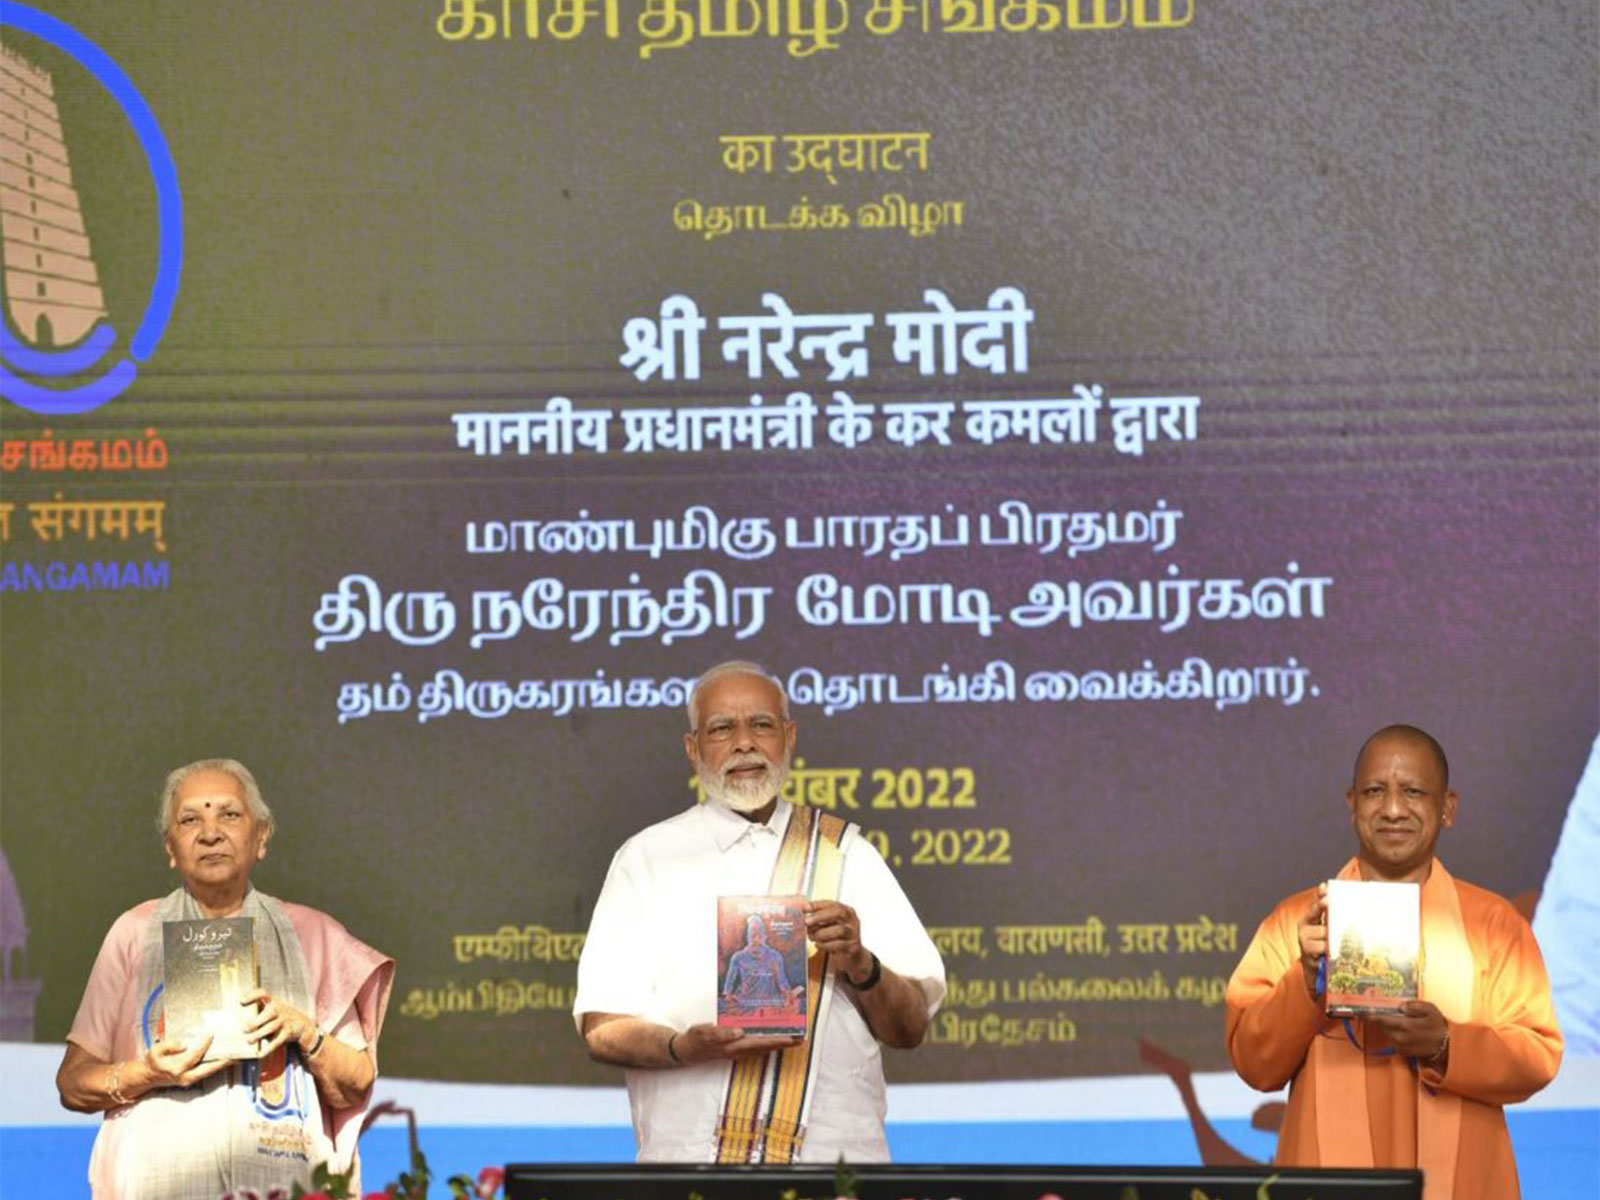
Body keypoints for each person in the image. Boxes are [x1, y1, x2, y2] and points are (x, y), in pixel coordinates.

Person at [574, 660, 946, 1163]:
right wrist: (684, 1047)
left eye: (762, 725)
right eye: (723, 728)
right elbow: (603, 1028)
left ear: (789, 738)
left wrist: (862, 963)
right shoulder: (647, 858)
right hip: (693, 1165)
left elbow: (909, 1029)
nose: (744, 743)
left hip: (834, 1167)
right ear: (693, 749)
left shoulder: (845, 854)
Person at [1225, 726, 1562, 1200]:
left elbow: (1537, 1056)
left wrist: (1446, 1044)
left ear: (1447, 808)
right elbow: (1254, 1064)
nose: (1393, 809)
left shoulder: (1493, 925)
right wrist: (1303, 986)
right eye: (1374, 791)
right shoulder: (1299, 922)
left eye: (1414, 792)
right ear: (1351, 804)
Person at [56, 759, 395, 1199]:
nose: (210, 833)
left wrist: (304, 1032)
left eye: (229, 815)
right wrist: (146, 1073)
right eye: (190, 819)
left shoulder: (312, 935)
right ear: (170, 848)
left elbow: (356, 1083)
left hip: (284, 1181)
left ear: (262, 837)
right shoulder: (135, 932)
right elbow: (73, 1083)